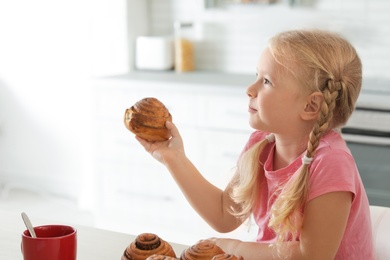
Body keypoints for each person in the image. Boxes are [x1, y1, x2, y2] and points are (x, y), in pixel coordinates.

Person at [136, 29, 375, 259]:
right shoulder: (261, 143)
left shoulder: (331, 162)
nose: (250, 89)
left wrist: (235, 247)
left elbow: (312, 255)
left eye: (267, 81)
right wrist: (174, 158)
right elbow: (224, 215)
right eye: (256, 76)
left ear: (311, 106)